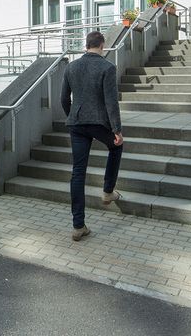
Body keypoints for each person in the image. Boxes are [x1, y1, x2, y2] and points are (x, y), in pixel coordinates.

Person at [60, 31, 124, 241]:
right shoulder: (107, 67)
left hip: (77, 123)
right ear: (102, 46)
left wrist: (72, 116)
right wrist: (116, 130)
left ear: (86, 45)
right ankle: (107, 191)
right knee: (116, 147)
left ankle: (78, 225)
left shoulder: (71, 67)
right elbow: (111, 102)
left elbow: (63, 99)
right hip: (98, 122)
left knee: (78, 172)